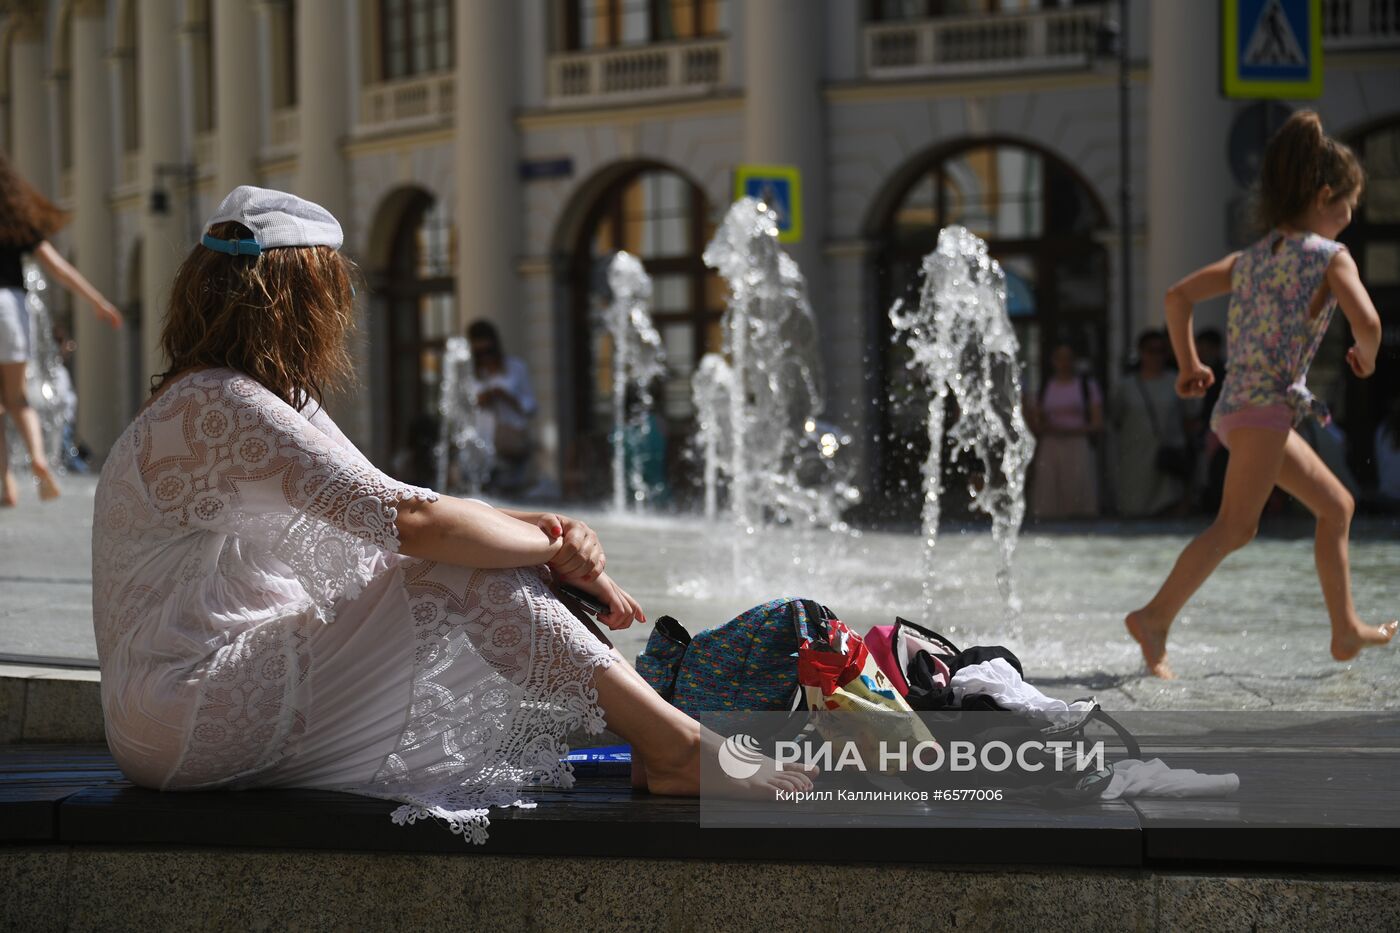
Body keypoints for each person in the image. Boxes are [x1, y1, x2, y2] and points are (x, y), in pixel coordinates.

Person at [91, 187, 813, 845]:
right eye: (334, 295)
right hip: (185, 709)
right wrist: (541, 545)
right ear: (298, 302)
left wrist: (549, 530)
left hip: (181, 709)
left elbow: (399, 501)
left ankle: (660, 739)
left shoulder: (235, 399)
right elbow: (417, 525)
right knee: (457, 571)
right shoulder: (220, 406)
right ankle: (675, 747)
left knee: (466, 556)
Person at [1126, 111, 1396, 679]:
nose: (1350, 218)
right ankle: (1153, 618)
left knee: (1337, 507)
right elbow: (1368, 322)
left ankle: (1345, 628)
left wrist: (1190, 365)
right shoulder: (1330, 256)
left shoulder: (1253, 258)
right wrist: (1367, 355)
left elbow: (1177, 296)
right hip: (1266, 409)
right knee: (1234, 527)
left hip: (1241, 407)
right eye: (1348, 206)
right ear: (1325, 196)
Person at [0, 153, 122, 505]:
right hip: (11, 308)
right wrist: (98, 301)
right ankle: (38, 460)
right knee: (17, 397)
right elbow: (58, 268)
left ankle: (6, 481)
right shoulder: (17, 220)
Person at [1111, 330, 1191, 517]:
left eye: (1160, 351)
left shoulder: (1176, 381)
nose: (1155, 356)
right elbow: (1115, 418)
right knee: (1134, 507)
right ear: (1141, 352)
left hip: (1168, 456)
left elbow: (1190, 417)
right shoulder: (1126, 386)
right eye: (1150, 351)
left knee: (1169, 505)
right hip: (1134, 456)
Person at [1029, 342, 1102, 519]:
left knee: (1078, 490)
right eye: (1060, 358)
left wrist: (1067, 430)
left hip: (1078, 444)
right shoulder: (1044, 387)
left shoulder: (1087, 386)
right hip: (1051, 444)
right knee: (1049, 493)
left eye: (1068, 358)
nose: (1064, 363)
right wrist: (1044, 425)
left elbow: (1098, 422)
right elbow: (1035, 421)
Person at [467, 319, 537, 494]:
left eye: (488, 351)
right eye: (480, 353)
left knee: (512, 491)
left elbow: (531, 406)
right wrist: (482, 398)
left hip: (510, 439)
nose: (485, 357)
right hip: (481, 442)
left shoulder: (515, 367)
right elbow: (464, 408)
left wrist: (507, 397)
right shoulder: (470, 373)